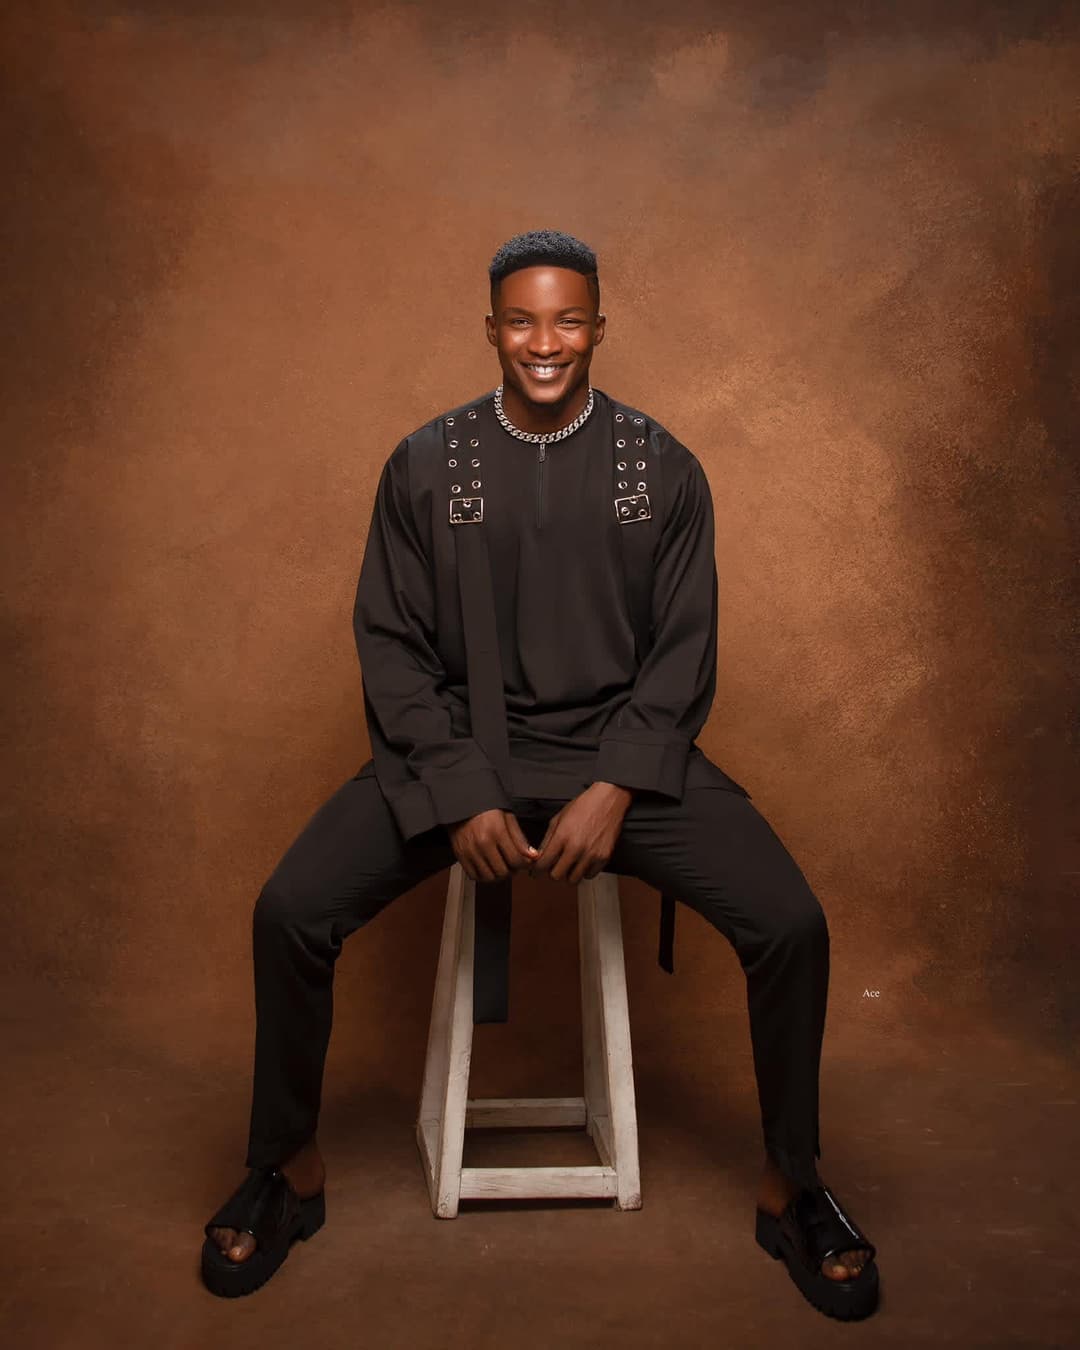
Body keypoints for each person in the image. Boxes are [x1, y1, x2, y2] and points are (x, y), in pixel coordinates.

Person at [200, 229, 880, 1319]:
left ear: (601, 327)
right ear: (491, 330)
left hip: (620, 755)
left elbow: (683, 652)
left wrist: (618, 782)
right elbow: (390, 643)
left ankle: (792, 1182)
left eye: (568, 319)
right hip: (463, 751)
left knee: (790, 924)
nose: (545, 341)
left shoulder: (663, 467)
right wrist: (460, 783)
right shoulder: (427, 463)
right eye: (522, 319)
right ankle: (287, 1166)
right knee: (289, 911)